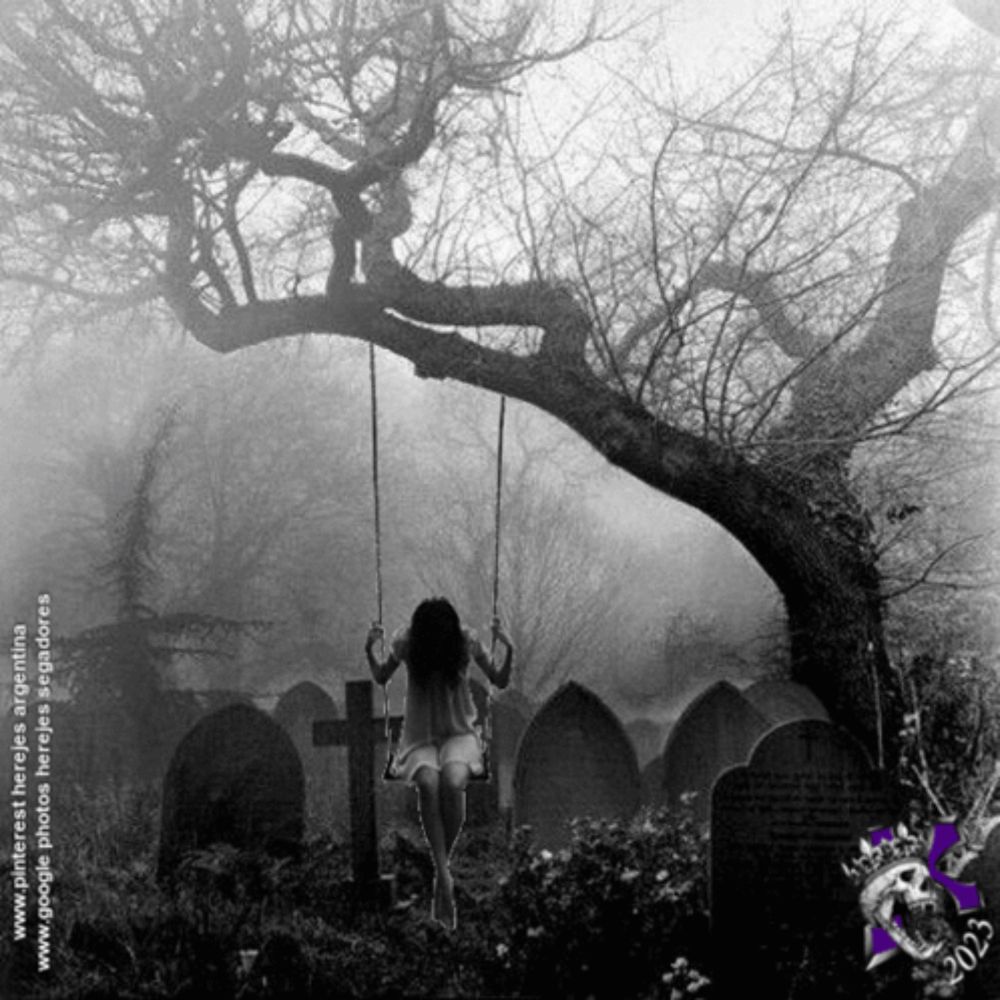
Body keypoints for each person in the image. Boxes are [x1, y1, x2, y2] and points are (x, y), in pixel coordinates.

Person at [365, 597, 513, 929]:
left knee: (451, 782)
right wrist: (369, 648)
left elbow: (499, 680)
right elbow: (380, 676)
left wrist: (507, 647)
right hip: (420, 736)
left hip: (459, 734)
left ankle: (440, 878)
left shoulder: (465, 641)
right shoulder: (407, 642)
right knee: (429, 786)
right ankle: (444, 879)